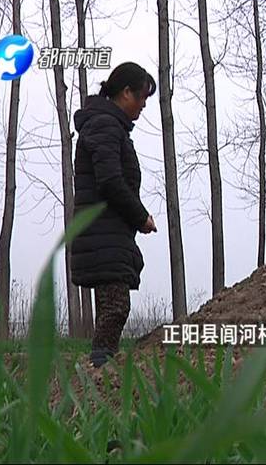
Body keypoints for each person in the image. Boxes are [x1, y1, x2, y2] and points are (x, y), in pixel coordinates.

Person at [71, 62, 157, 368]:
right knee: (116, 308)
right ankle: (99, 372)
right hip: (103, 234)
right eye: (142, 96)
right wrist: (140, 216)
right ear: (126, 92)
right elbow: (110, 181)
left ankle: (100, 370)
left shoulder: (108, 125)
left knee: (111, 309)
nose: (144, 104)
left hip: (107, 233)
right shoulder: (105, 126)